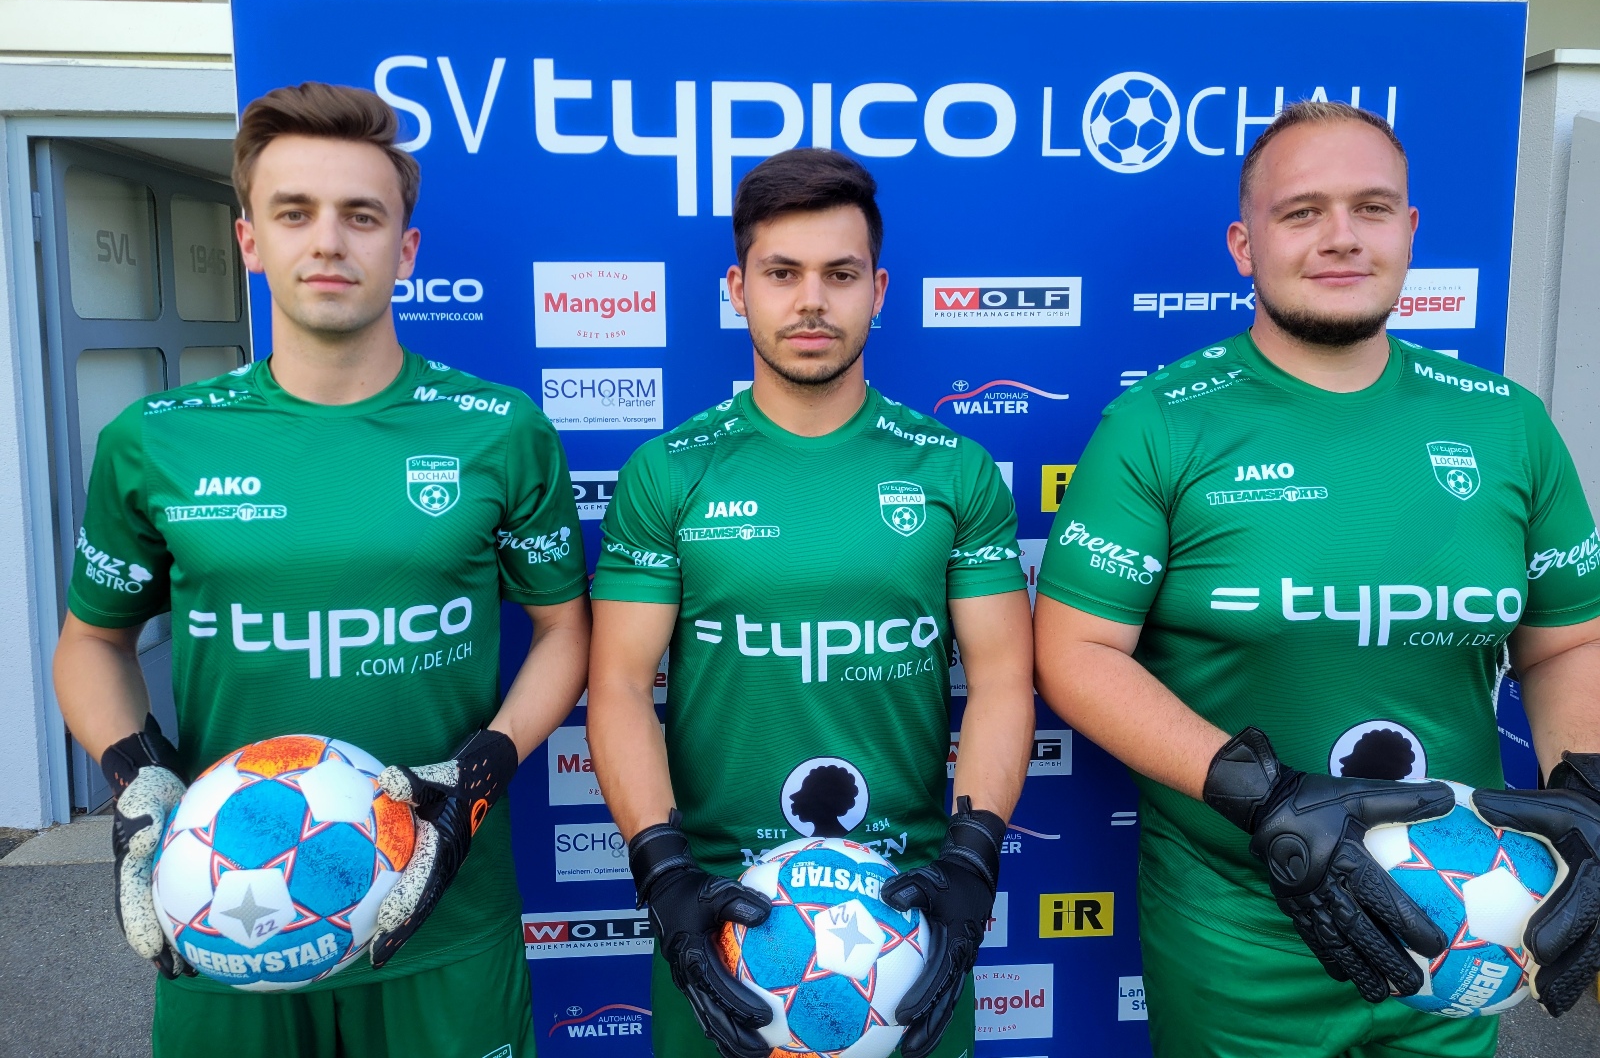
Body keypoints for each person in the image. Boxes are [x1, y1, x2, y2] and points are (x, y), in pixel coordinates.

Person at [1033, 99, 1600, 1058]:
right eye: (1301, 212)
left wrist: (1585, 785)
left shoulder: (1507, 424)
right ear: (1243, 245)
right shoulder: (1160, 423)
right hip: (1241, 928)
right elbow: (1076, 651)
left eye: (1371, 208)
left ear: (1409, 231)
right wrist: (1269, 798)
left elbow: (1567, 641)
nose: (1341, 237)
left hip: (1468, 917)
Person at [54, 82, 590, 1058]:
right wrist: (138, 779)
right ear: (250, 240)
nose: (329, 241)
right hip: (224, 914)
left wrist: (478, 775)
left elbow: (564, 630)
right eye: (294, 213)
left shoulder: (501, 431)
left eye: (361, 216)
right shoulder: (154, 441)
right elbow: (92, 643)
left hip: (443, 918)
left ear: (406, 249)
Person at [586, 148, 1036, 1058]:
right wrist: (667, 881)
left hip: (905, 920)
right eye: (782, 273)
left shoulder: (953, 469)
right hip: (721, 920)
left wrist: (971, 862)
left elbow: (1001, 681)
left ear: (879, 289)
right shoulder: (669, 471)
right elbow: (621, 686)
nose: (812, 302)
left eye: (840, 274)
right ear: (738, 289)